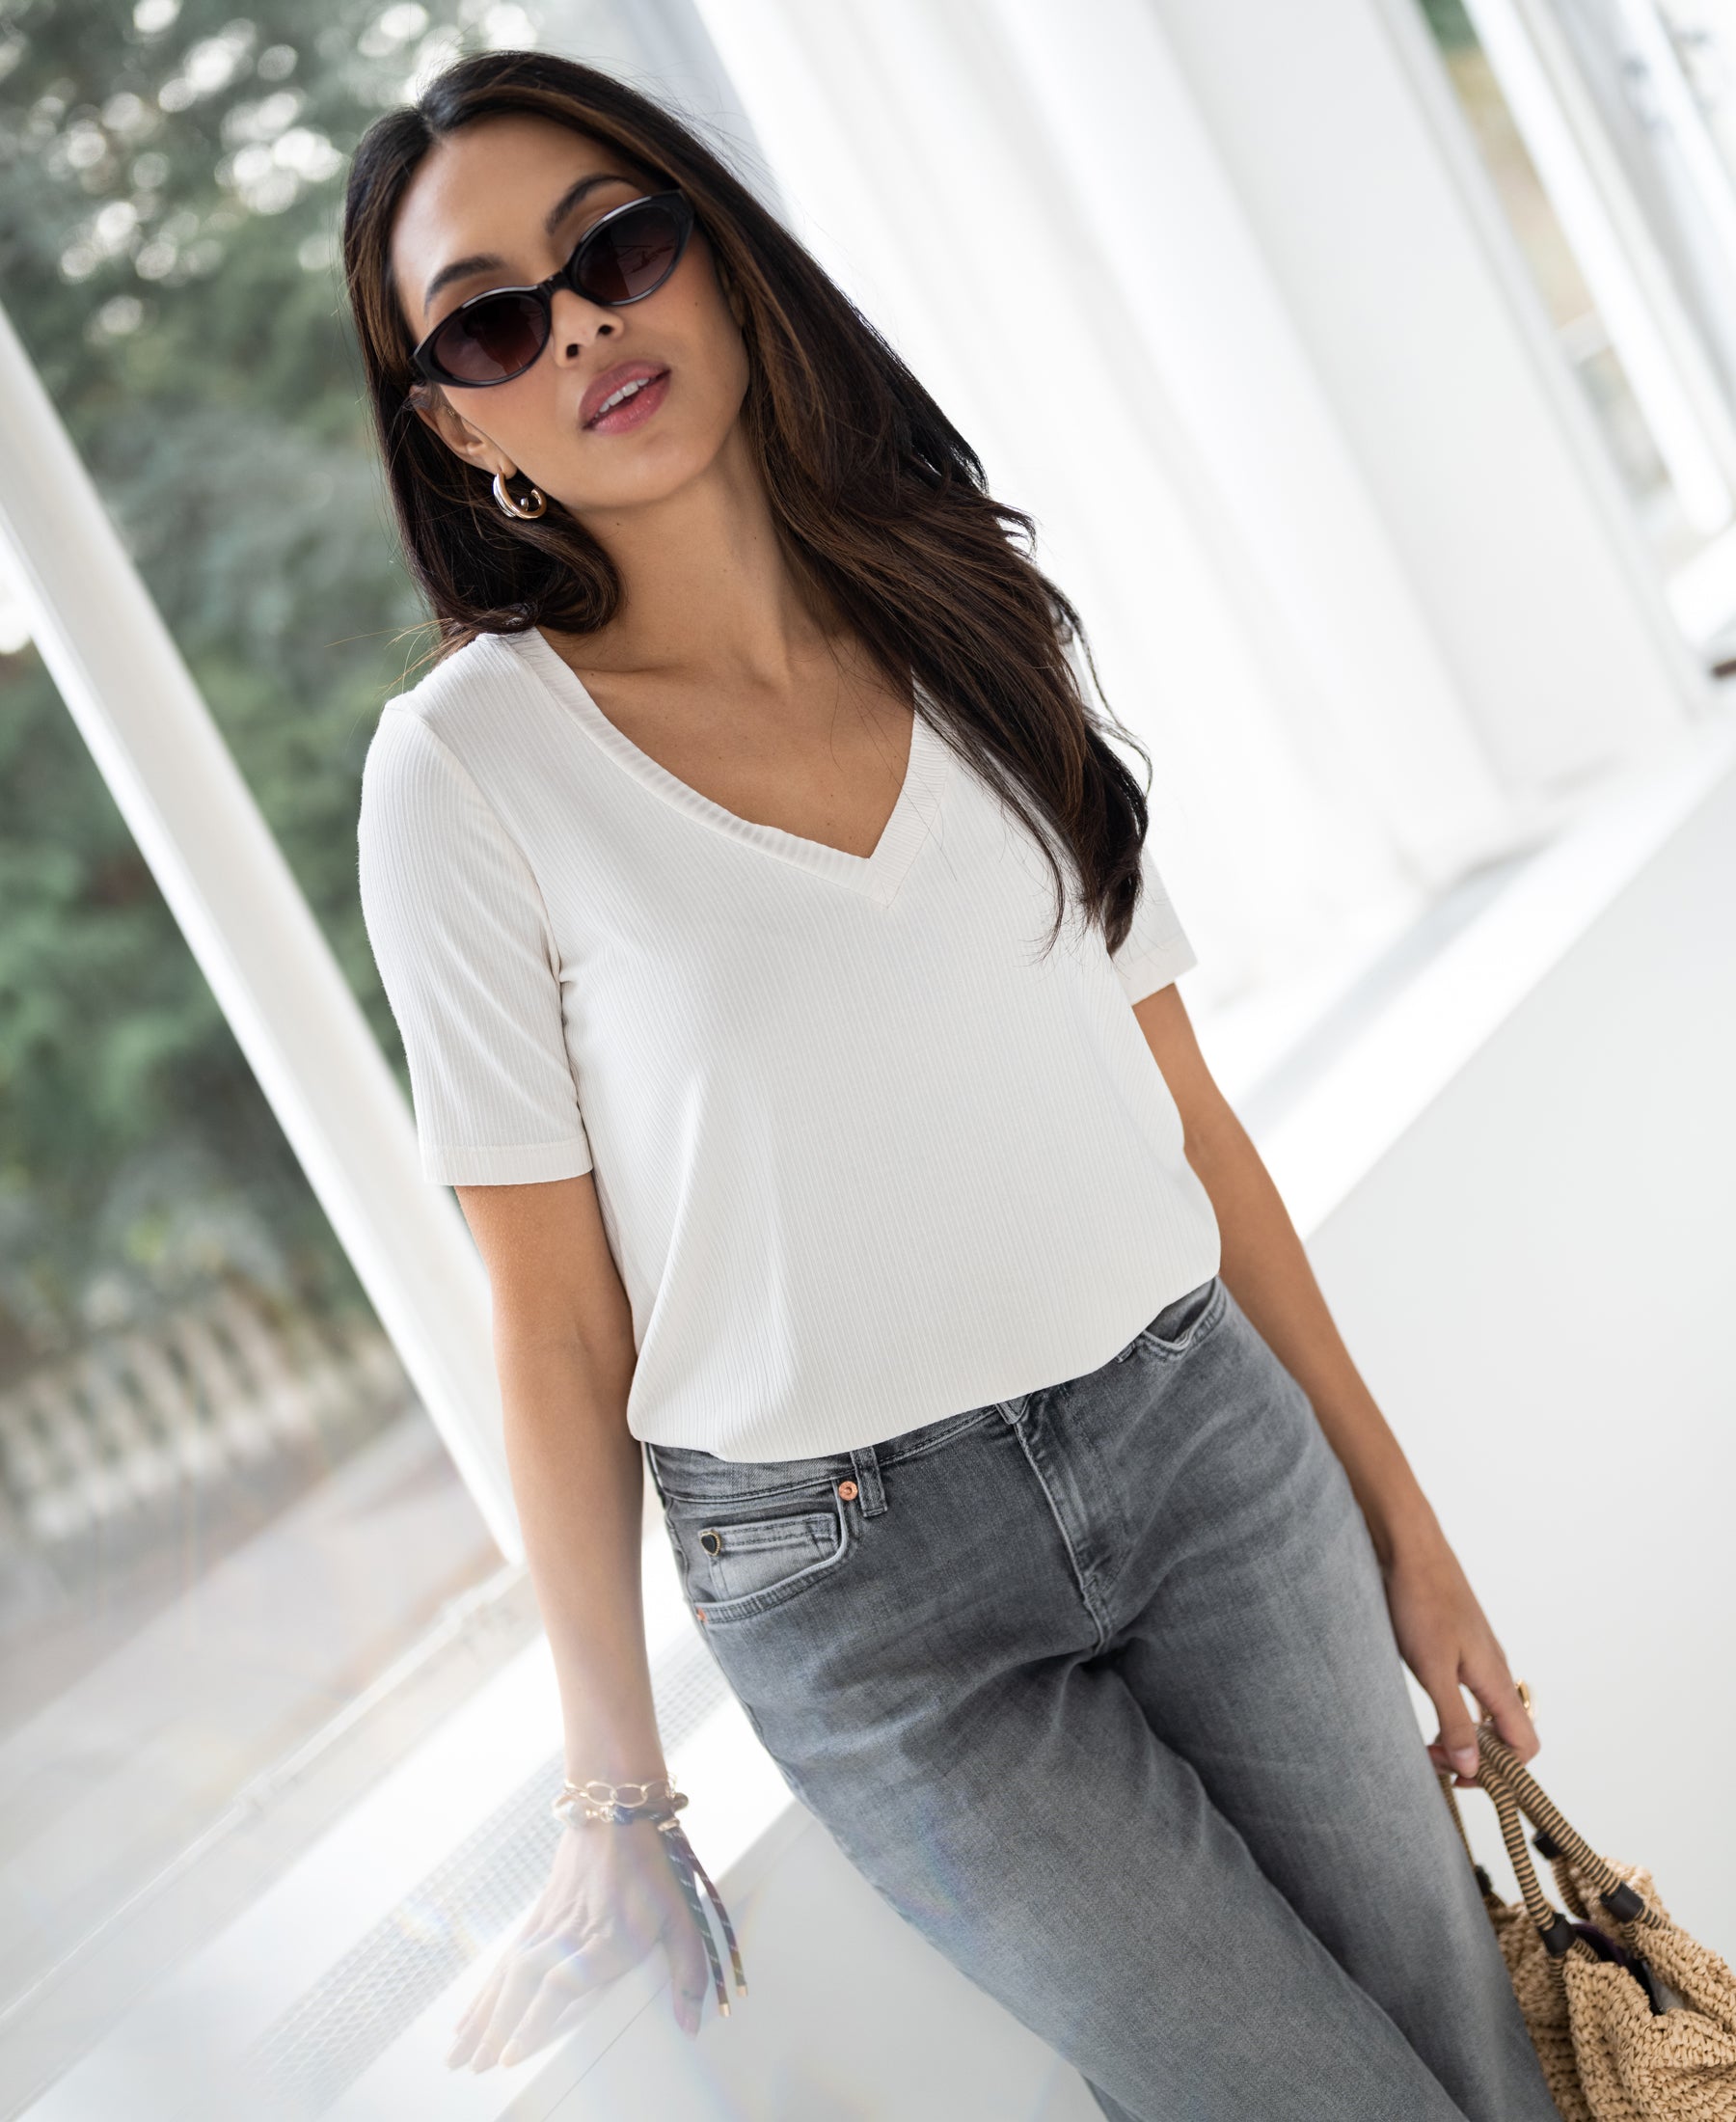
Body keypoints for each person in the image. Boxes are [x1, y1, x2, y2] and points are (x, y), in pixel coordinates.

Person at [343, 48, 1561, 2121]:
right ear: (460, 428)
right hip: (869, 1600)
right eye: (492, 320)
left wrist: (1405, 1518)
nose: (583, 326)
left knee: (1475, 2051)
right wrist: (612, 1785)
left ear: (714, 260)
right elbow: (553, 1321)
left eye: (615, 248)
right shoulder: (466, 773)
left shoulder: (961, 601)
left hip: (1208, 1448)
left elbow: (1182, 1108)